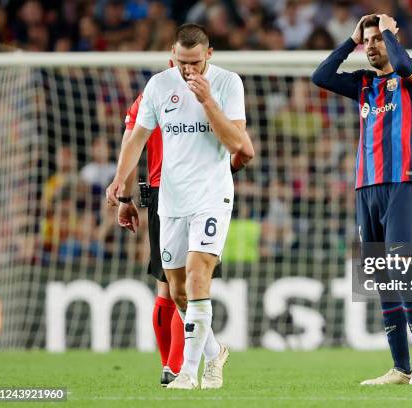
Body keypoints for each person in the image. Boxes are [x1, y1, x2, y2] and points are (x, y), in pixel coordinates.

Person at [106, 23, 253, 390]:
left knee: (198, 274)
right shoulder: (159, 85)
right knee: (177, 289)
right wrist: (120, 182)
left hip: (212, 196)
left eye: (196, 63)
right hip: (171, 200)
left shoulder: (227, 83)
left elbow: (237, 142)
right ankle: (215, 351)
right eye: (182, 63)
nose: (189, 71)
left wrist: (207, 101)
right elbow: (136, 138)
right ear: (173, 56)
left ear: (209, 55)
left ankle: (188, 373)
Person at [312, 14, 412, 385]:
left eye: (376, 40)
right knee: (382, 278)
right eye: (367, 41)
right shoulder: (364, 84)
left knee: (401, 269)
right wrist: (350, 40)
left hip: (402, 184)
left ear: (392, 39)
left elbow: (400, 62)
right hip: (366, 188)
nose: (371, 46)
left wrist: (387, 31)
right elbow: (320, 76)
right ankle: (400, 368)